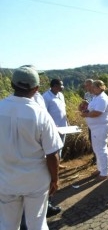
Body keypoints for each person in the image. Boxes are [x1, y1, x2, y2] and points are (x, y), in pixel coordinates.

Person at [0, 66, 63, 230]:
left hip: (5, 180)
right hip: (36, 181)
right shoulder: (41, 114)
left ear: (12, 85)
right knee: (37, 224)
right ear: (36, 89)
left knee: (7, 225)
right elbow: (52, 154)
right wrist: (55, 180)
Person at [80, 80, 108, 181]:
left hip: (101, 127)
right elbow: (92, 109)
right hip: (95, 128)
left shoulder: (102, 98)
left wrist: (86, 114)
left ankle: (105, 172)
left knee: (101, 149)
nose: (91, 89)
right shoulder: (96, 97)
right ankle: (100, 169)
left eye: (94, 87)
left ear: (99, 88)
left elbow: (97, 113)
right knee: (97, 149)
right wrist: (86, 110)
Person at [42, 79, 68, 167]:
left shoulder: (61, 95)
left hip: (63, 125)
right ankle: (50, 165)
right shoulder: (45, 97)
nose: (62, 87)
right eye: (61, 85)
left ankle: (58, 164)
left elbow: (63, 110)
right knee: (52, 147)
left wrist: (67, 121)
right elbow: (44, 112)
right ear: (54, 86)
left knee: (60, 145)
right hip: (53, 127)